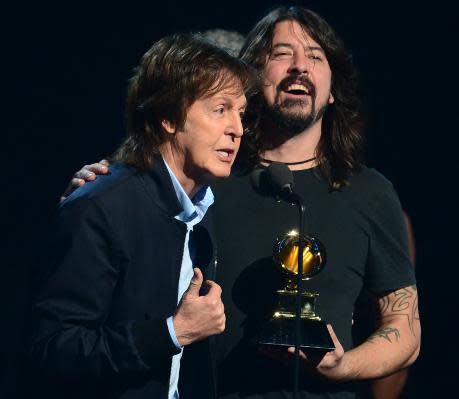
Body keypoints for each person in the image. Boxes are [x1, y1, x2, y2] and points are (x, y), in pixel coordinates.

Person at [62, 6, 421, 399]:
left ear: (334, 88)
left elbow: (405, 326)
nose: (299, 66)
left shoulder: (370, 192)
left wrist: (342, 365)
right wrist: (100, 183)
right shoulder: (206, 176)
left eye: (316, 56)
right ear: (252, 75)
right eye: (282, 54)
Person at [29, 33, 252, 399]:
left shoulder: (202, 210)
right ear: (167, 116)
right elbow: (52, 349)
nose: (237, 129)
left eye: (240, 113)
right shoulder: (98, 207)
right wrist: (170, 333)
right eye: (220, 109)